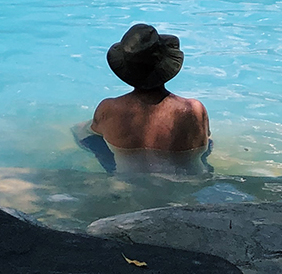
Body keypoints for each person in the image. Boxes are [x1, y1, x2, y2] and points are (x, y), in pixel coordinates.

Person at [80, 23, 211, 173]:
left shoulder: (108, 109)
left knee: (80, 130)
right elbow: (204, 149)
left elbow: (89, 140)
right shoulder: (193, 110)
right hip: (187, 184)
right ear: (165, 66)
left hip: (128, 183)